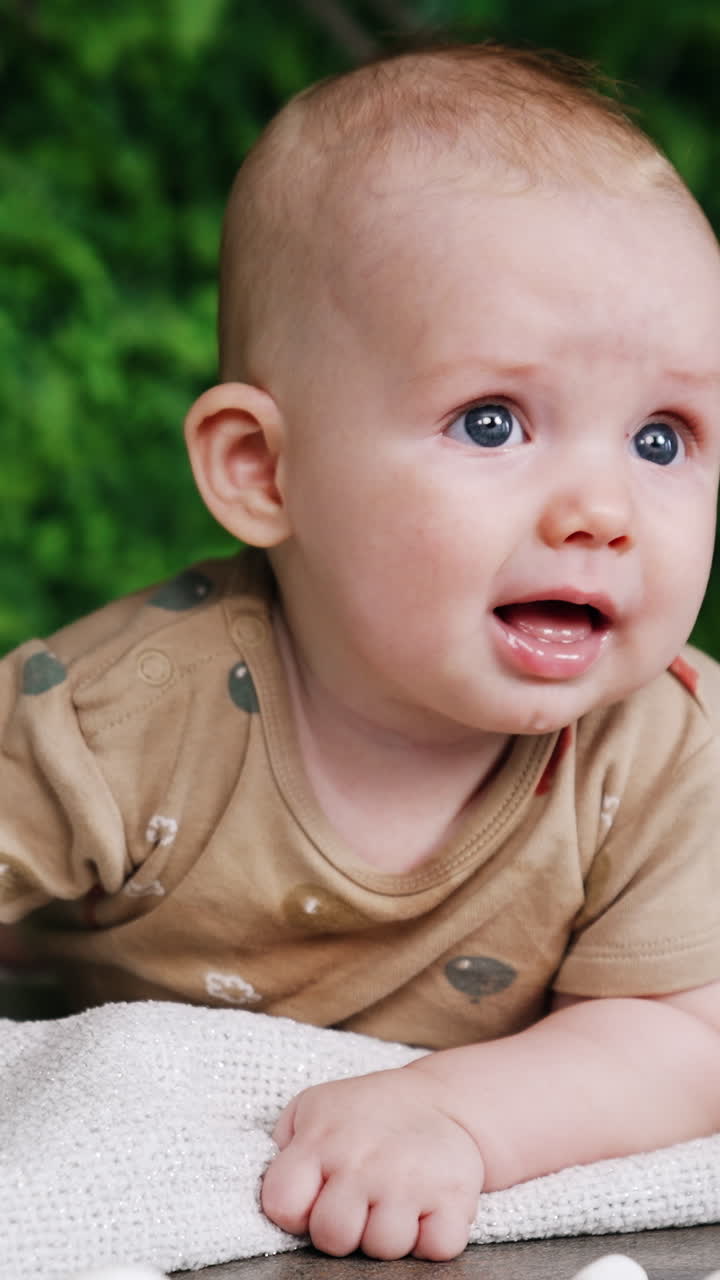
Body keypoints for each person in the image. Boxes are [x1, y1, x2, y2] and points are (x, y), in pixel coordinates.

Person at [2, 40, 720, 1263]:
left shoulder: (659, 748)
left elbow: (689, 1036)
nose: (603, 508)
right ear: (264, 470)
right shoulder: (119, 716)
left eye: (663, 437)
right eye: (493, 421)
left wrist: (461, 1112)